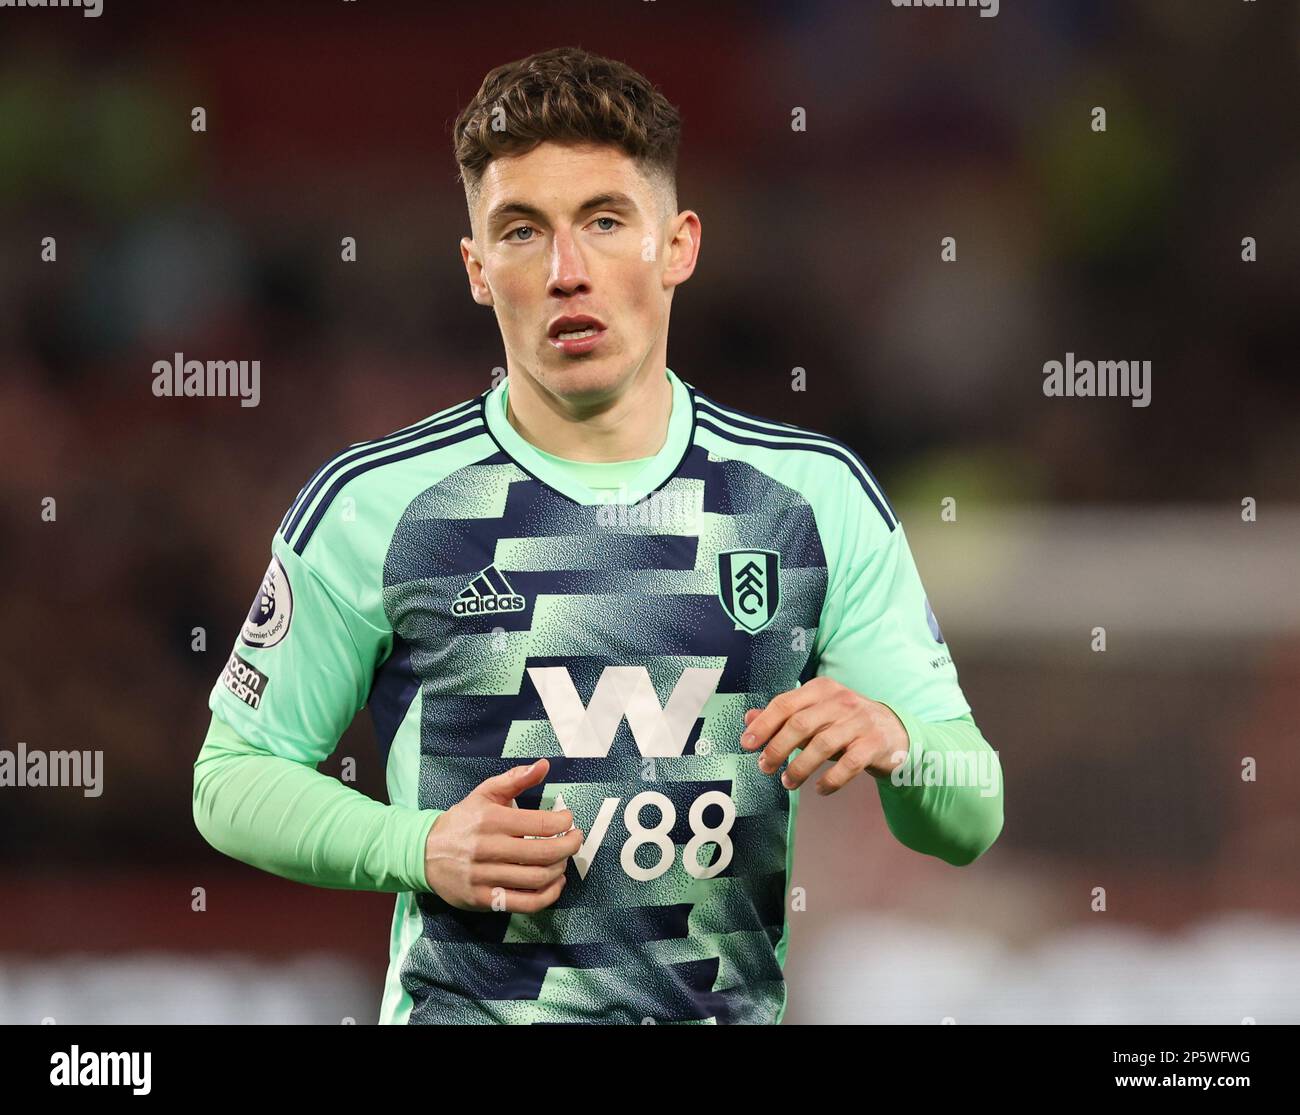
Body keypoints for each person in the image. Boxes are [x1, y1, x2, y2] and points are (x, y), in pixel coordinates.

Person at [193, 45, 1003, 1025]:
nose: (567, 271)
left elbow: (969, 812)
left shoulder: (808, 497)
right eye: (522, 232)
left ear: (678, 246)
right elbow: (231, 777)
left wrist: (904, 741)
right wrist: (416, 846)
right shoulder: (381, 502)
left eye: (605, 221)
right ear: (477, 269)